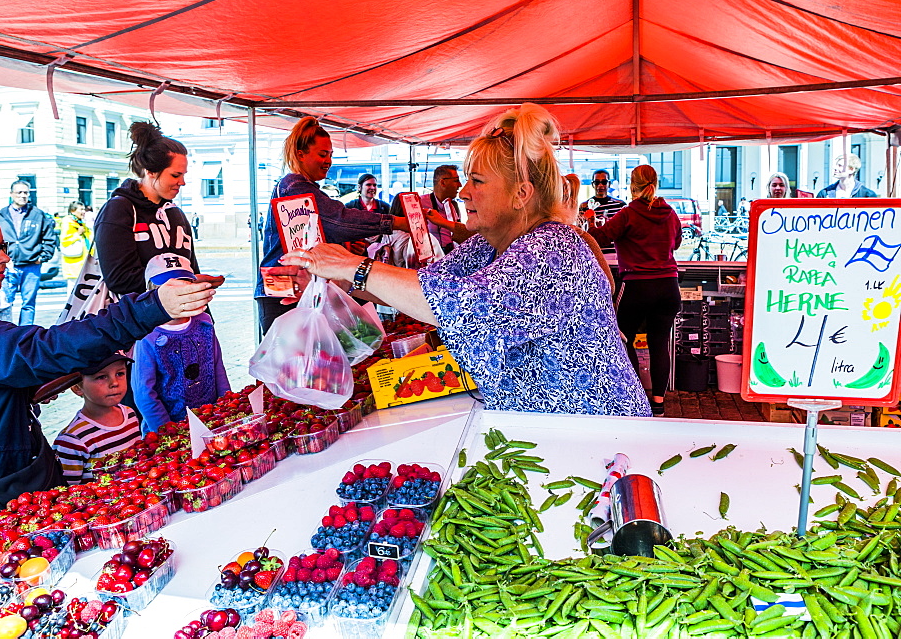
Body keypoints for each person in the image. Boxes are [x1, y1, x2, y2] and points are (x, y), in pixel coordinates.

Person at [281, 104, 650, 416]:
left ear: (520, 193)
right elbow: (424, 287)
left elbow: (453, 304)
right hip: (547, 427)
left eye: (477, 181)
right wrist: (336, 281)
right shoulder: (490, 242)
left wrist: (352, 266)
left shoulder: (552, 249)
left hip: (598, 430)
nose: (463, 192)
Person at [0, 203, 216, 549]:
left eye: (4, 248)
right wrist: (152, 307)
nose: (5, 259)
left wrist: (22, 391)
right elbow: (40, 350)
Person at [255, 117, 409, 333]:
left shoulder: (305, 188)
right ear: (301, 154)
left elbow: (318, 230)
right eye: (322, 154)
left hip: (298, 286)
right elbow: (338, 219)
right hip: (283, 288)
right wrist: (396, 222)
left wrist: (345, 245)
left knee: (313, 361)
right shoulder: (294, 186)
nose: (328, 161)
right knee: (293, 363)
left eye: (330, 155)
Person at [588, 165, 682, 417]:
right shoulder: (670, 213)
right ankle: (659, 403)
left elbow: (599, 238)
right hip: (669, 287)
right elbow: (677, 242)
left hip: (638, 286)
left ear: (632, 185)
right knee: (659, 343)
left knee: (622, 337)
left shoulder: (629, 213)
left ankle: (636, 396)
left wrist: (588, 219)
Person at [95, 121, 200, 297]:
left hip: (182, 318)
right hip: (137, 320)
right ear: (150, 171)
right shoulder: (119, 210)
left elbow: (191, 267)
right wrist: (179, 283)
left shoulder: (176, 213)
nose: (182, 182)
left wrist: (198, 286)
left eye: (183, 175)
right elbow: (119, 279)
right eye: (175, 175)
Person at [133, 255, 230, 434]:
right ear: (151, 292)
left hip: (210, 422)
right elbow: (144, 394)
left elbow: (217, 369)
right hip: (169, 433)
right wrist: (167, 431)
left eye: (184, 288)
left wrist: (226, 407)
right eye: (169, 289)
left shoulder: (204, 323)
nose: (179, 296)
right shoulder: (147, 336)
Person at [52, 354, 141, 484]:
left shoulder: (130, 414)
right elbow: (66, 493)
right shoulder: (72, 440)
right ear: (77, 388)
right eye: (101, 377)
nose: (114, 383)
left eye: (120, 373)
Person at [0, 180, 56, 325]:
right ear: (11, 194)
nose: (23, 196)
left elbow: (49, 238)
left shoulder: (38, 214)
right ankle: (9, 334)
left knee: (28, 303)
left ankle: (25, 334)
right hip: (8, 265)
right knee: (6, 303)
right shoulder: (0, 215)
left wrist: (42, 257)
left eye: (26, 192)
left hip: (32, 265)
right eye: (19, 192)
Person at [421, 165, 472, 253]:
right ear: (443, 183)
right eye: (456, 180)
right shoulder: (420, 203)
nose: (460, 185)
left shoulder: (454, 205)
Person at [580, 169, 626, 252]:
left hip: (615, 252)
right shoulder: (584, 206)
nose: (600, 185)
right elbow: (581, 230)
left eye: (604, 182)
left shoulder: (620, 205)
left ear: (609, 184)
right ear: (593, 184)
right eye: (597, 182)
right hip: (593, 253)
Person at [60, 201, 91, 281]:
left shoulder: (80, 222)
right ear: (73, 211)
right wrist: (78, 234)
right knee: (73, 289)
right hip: (74, 263)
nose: (83, 212)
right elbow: (65, 240)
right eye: (81, 209)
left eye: (84, 209)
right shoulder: (67, 222)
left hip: (83, 262)